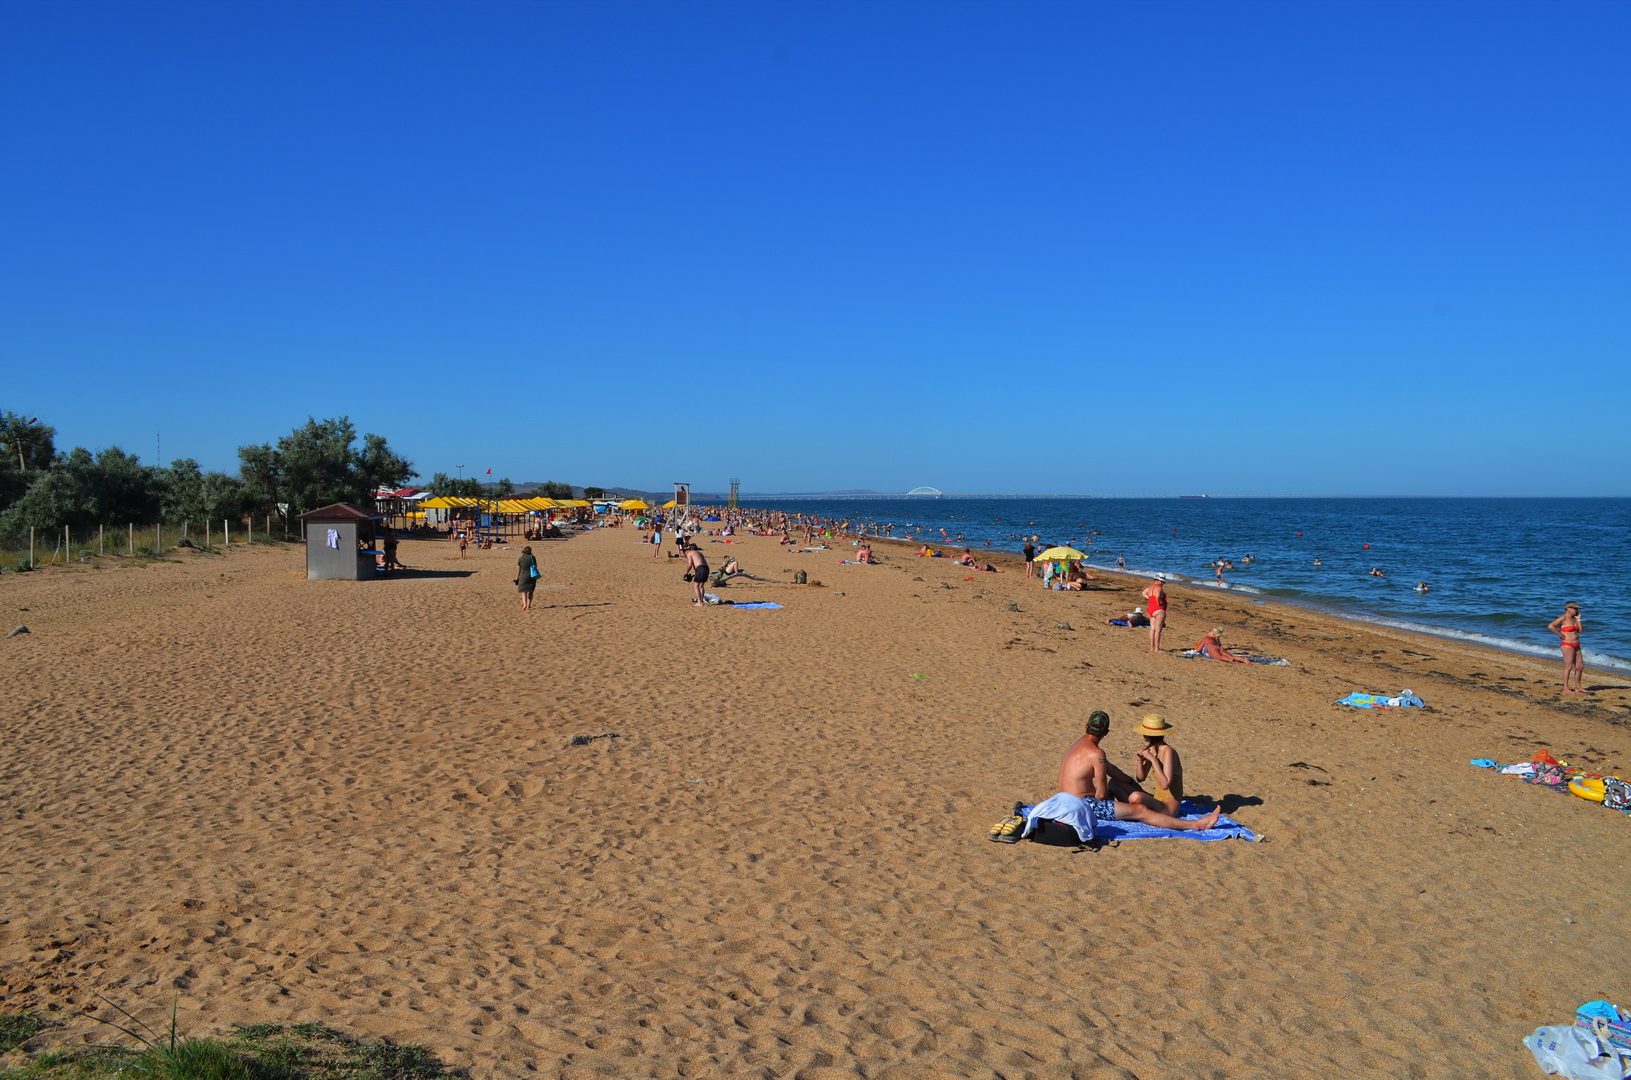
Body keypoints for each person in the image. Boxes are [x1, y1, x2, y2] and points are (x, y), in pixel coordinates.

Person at [1053, 711, 1219, 832]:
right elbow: (1103, 794)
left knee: (1127, 792)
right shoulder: (1097, 753)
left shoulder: (1077, 745)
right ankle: (1195, 824)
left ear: (1086, 726)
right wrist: (1111, 798)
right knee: (1140, 809)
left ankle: (1139, 811)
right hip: (1084, 804)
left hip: (1065, 800)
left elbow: (1114, 771)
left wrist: (1134, 776)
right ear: (1106, 733)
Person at [1128, 714, 1184, 816]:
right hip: (1157, 799)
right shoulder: (1152, 749)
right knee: (1115, 785)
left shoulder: (1168, 751)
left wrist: (1153, 760)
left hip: (1168, 806)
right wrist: (1141, 760)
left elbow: (1165, 785)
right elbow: (1140, 778)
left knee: (1136, 796)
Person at [1548, 602, 1586, 693]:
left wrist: (1579, 620)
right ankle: (1566, 688)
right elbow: (1551, 626)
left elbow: (1581, 631)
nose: (1576, 610)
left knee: (1580, 666)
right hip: (1567, 645)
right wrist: (1560, 634)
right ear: (1568, 608)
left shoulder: (1574, 619)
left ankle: (1578, 687)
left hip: (1577, 645)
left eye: (1577, 609)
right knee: (1568, 666)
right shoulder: (1563, 618)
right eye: (1575, 608)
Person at [1141, 579, 1167, 653]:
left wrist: (1150, 598)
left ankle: (1152, 648)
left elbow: (1143, 593)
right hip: (1158, 609)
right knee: (1158, 630)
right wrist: (1158, 603)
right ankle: (1157, 649)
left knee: (1152, 629)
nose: (1163, 583)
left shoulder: (1150, 587)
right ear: (1158, 580)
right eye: (1162, 581)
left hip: (1151, 608)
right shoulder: (1159, 587)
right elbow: (1158, 595)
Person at [682, 539, 710, 605]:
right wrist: (694, 574)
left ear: (685, 552)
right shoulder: (699, 553)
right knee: (701, 586)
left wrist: (686, 573)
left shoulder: (689, 554)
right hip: (706, 568)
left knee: (696, 586)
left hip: (700, 568)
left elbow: (690, 565)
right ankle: (702, 601)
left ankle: (699, 602)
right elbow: (698, 564)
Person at [514, 545, 538, 611]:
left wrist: (516, 578)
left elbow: (518, 569)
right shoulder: (532, 557)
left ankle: (524, 604)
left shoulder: (521, 558)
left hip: (523, 576)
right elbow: (536, 566)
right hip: (531, 576)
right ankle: (528, 605)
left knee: (523, 591)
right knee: (530, 591)